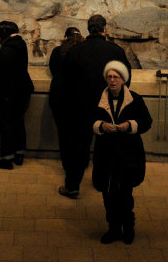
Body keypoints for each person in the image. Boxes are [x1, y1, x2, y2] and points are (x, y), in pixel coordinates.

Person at [58, 14, 130, 198]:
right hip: (107, 109)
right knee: (108, 149)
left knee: (78, 150)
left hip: (80, 109)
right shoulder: (116, 51)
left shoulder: (76, 51)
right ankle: (108, 185)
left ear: (88, 29)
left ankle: (72, 186)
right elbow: (125, 79)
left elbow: (64, 82)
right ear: (104, 29)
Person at [92, 60, 152, 245]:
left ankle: (128, 227)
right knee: (108, 194)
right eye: (109, 77)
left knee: (125, 194)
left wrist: (130, 125)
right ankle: (113, 228)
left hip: (128, 153)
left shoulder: (135, 99)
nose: (112, 80)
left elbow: (146, 122)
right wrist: (100, 125)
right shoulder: (99, 98)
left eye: (115, 77)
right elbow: (89, 120)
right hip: (106, 154)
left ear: (123, 79)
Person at [0, 21, 34, 169]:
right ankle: (19, 154)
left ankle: (7, 158)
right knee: (18, 122)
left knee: (6, 124)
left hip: (8, 93)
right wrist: (0, 45)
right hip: (22, 90)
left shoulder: (7, 49)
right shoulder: (19, 44)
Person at [49, 27, 84, 182]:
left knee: (63, 133)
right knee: (79, 132)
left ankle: (67, 163)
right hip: (78, 97)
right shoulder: (83, 51)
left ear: (65, 38)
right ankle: (79, 162)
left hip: (59, 96)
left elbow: (52, 68)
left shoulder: (58, 51)